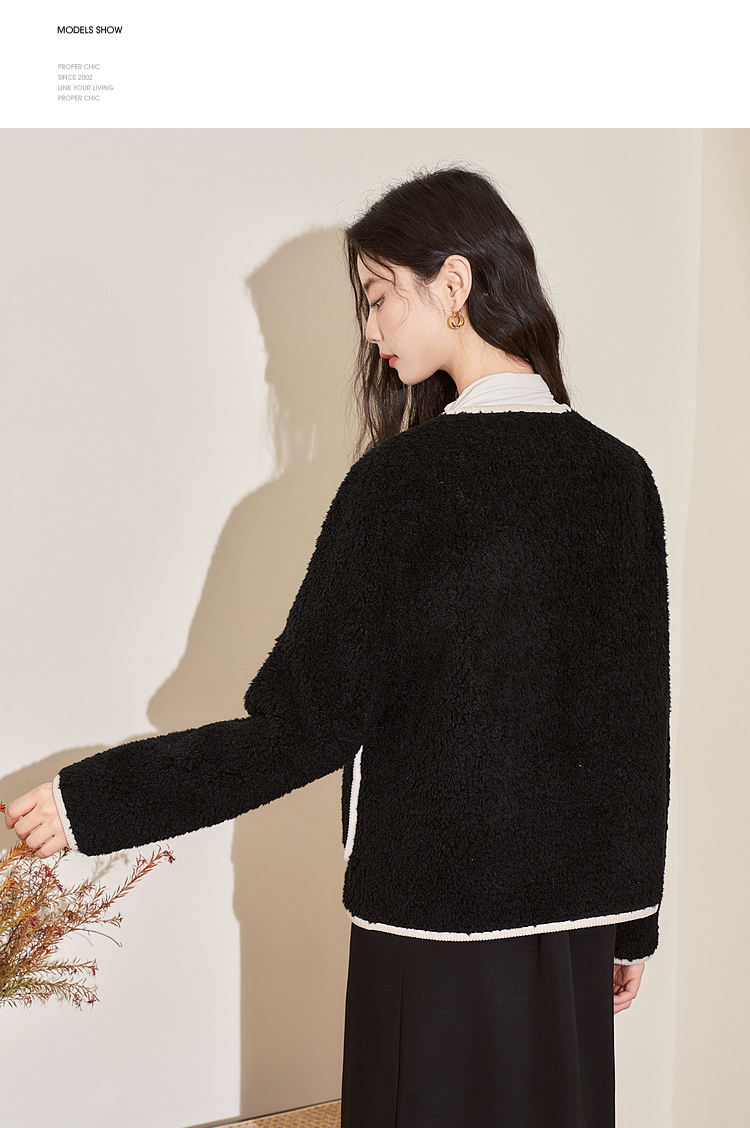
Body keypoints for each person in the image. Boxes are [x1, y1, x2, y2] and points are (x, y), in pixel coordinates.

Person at [6, 167, 669, 1128]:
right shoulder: (621, 478)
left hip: (430, 933)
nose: (370, 328)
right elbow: (636, 729)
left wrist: (91, 804)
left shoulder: (401, 486)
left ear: (453, 283)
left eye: (378, 295)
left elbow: (300, 729)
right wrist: (632, 923)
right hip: (573, 935)